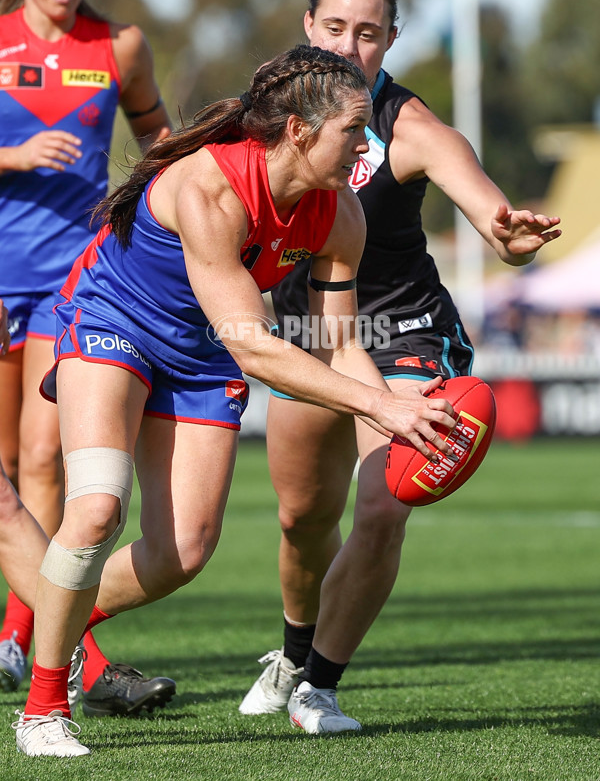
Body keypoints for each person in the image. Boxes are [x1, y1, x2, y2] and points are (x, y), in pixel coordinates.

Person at [7, 42, 461, 758]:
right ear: (300, 131)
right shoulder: (208, 188)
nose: (367, 145)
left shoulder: (341, 213)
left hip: (201, 352)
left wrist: (407, 422)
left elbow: (336, 346)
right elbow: (255, 347)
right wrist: (388, 407)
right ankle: (41, 708)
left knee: (180, 553)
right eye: (354, 129)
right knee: (97, 505)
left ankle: (47, 610)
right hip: (112, 321)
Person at [238, 0, 562, 734]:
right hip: (311, 336)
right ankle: (291, 651)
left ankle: (319, 685)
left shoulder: (409, 127)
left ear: (390, 42)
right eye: (337, 27)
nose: (352, 46)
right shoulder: (262, 115)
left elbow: (486, 206)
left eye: (371, 33)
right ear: (309, 28)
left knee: (384, 501)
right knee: (303, 520)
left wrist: (508, 235)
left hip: (404, 333)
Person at [0, 0, 176, 717]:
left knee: (44, 460)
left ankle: (40, 645)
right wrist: (16, 153)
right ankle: (39, 641)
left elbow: (162, 148)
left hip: (73, 284)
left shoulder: (120, 46)